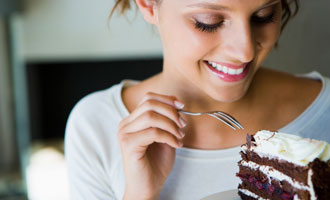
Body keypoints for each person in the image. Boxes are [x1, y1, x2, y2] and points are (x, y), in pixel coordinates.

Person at [64, 0, 330, 199]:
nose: (244, 51)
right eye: (209, 21)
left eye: (263, 16)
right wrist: (139, 194)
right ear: (148, 4)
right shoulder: (96, 125)